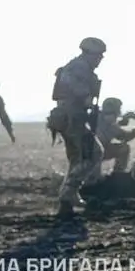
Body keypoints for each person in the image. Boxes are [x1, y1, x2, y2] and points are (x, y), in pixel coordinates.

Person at [47, 37, 106, 219]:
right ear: (89, 54)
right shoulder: (77, 68)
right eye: (98, 56)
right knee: (93, 153)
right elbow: (78, 91)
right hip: (71, 117)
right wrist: (87, 100)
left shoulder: (79, 68)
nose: (100, 59)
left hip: (71, 116)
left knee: (77, 158)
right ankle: (67, 194)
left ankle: (71, 196)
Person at [88, 97, 135, 181]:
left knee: (124, 148)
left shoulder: (111, 125)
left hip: (100, 151)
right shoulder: (94, 119)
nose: (118, 114)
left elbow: (125, 137)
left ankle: (117, 176)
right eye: (117, 111)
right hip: (87, 154)